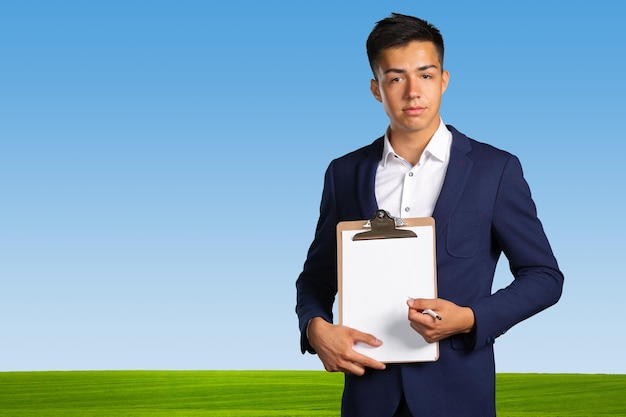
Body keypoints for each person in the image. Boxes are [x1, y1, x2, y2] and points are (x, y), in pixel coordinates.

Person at [295, 12, 564, 417]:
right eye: (396, 78)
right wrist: (316, 329)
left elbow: (545, 277)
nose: (412, 92)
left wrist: (472, 318)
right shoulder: (344, 173)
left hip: (459, 396)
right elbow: (316, 279)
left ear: (444, 79)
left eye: (425, 74)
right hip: (369, 395)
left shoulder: (495, 170)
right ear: (376, 89)